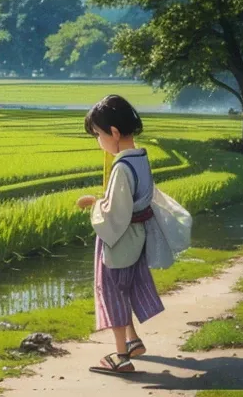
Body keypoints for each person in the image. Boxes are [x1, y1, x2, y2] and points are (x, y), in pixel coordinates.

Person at [76, 95, 165, 375]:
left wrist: (95, 206)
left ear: (113, 133)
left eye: (98, 135)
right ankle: (133, 339)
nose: (98, 141)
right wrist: (103, 203)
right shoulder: (140, 159)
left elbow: (116, 213)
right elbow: (133, 202)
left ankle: (121, 356)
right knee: (127, 286)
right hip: (136, 237)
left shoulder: (121, 168)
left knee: (113, 291)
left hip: (119, 239)